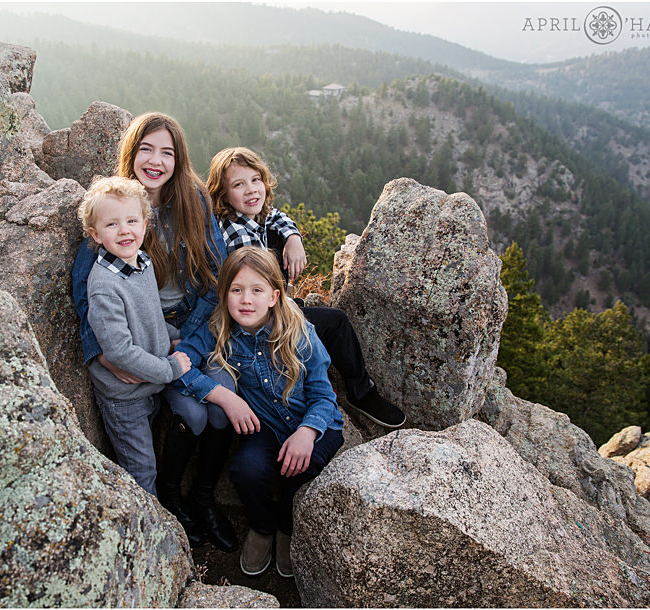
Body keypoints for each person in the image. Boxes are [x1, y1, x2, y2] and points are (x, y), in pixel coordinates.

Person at [72, 112, 239, 552]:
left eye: (166, 151)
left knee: (221, 412)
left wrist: (195, 339)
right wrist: (101, 353)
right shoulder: (115, 203)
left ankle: (202, 498)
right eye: (146, 149)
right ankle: (169, 497)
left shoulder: (193, 200)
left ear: (178, 159)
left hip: (190, 326)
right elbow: (87, 285)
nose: (156, 160)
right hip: (144, 337)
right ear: (131, 153)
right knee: (196, 413)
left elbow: (215, 277)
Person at [206, 146, 406, 429]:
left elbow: (274, 215)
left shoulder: (251, 216)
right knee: (335, 323)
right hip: (255, 324)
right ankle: (361, 393)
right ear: (223, 194)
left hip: (269, 306)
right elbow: (253, 293)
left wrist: (293, 236)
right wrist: (288, 304)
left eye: (255, 180)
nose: (251, 190)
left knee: (318, 317)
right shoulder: (236, 234)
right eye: (238, 184)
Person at [174, 247, 345, 578]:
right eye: (236, 290)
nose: (246, 300)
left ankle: (286, 526)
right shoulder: (217, 330)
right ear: (224, 295)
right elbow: (182, 364)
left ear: (274, 296)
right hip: (264, 424)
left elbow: (324, 395)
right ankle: (263, 525)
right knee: (247, 470)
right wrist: (223, 395)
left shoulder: (299, 332)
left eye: (256, 290)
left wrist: (307, 432)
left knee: (300, 469)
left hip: (312, 422)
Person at [75, 176, 192, 495]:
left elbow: (150, 313)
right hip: (124, 397)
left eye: (131, 220)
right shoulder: (104, 287)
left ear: (145, 223)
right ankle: (150, 534)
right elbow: (120, 353)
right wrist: (170, 368)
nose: (124, 230)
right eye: (112, 224)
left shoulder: (143, 262)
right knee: (141, 469)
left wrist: (171, 335)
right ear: (95, 234)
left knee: (151, 452)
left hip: (150, 382)